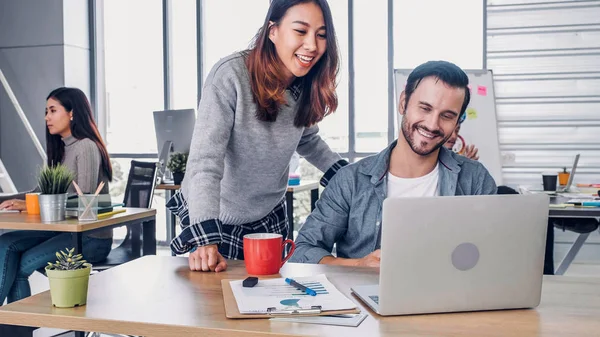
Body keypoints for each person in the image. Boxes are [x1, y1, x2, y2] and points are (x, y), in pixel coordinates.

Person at [167, 0, 347, 273]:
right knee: (212, 307)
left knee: (272, 304)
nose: (312, 45)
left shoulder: (304, 82)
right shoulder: (231, 75)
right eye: (300, 31)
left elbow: (307, 138)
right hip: (216, 215)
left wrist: (348, 176)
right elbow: (205, 160)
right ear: (272, 31)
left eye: (321, 35)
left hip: (268, 215)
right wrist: (205, 237)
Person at [290, 60, 497, 267]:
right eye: (425, 108)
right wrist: (358, 265)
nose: (433, 125)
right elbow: (303, 250)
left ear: (457, 122)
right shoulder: (350, 181)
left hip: (451, 298)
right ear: (403, 102)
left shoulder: (475, 179)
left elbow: (496, 251)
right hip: (365, 297)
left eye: (447, 116)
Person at [0, 87, 113, 305]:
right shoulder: (60, 149)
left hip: (89, 238)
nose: (46, 118)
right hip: (62, 232)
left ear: (72, 113)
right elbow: (39, 192)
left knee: (21, 265)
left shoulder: (86, 147)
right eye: (46, 112)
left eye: (52, 110)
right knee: (5, 243)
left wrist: (33, 206)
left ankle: (15, 329)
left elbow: (85, 204)